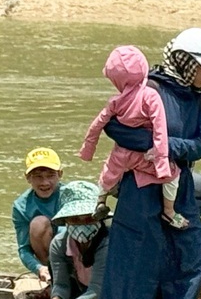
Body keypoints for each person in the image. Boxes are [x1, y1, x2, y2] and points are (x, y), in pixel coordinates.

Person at [93, 27, 201, 299]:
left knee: (193, 262)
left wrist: (163, 147)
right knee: (139, 263)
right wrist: (153, 147)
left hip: (179, 187)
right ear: (186, 62)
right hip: (140, 189)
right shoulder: (147, 88)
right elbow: (115, 127)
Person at [78, 45, 186, 230]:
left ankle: (101, 201)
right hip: (143, 155)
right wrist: (161, 163)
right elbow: (160, 129)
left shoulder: (115, 101)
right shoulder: (150, 96)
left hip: (120, 154)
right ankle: (169, 212)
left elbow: (97, 125)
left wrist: (88, 150)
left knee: (108, 173)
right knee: (173, 176)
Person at [45, 180, 110, 299]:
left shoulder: (108, 242)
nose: (83, 224)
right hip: (83, 292)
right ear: (66, 221)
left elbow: (97, 289)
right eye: (75, 219)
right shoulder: (59, 244)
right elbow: (61, 284)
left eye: (89, 218)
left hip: (111, 295)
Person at [11, 147, 63, 287]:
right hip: (49, 259)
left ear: (60, 174)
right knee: (39, 223)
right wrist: (39, 268)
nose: (45, 183)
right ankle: (55, 278)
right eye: (38, 176)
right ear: (28, 178)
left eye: (50, 175)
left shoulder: (71, 196)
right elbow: (24, 249)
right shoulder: (21, 206)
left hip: (75, 251)